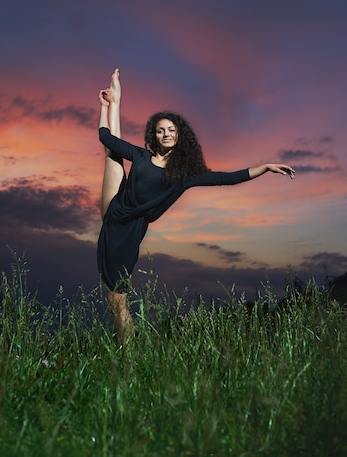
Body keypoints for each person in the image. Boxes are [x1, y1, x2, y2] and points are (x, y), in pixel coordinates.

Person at [98, 68, 295, 342]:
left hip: (127, 230)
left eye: (171, 130)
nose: (165, 134)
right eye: (160, 131)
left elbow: (227, 178)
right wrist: (104, 106)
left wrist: (264, 167)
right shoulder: (141, 157)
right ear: (154, 136)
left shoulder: (184, 175)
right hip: (113, 208)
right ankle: (115, 102)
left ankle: (129, 360)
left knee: (116, 299)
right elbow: (107, 139)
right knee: (113, 155)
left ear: (179, 136)